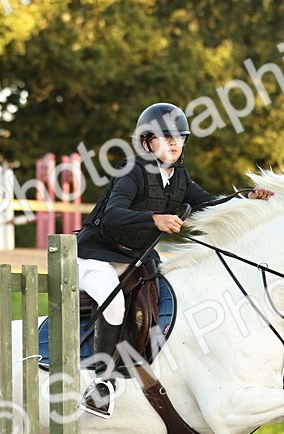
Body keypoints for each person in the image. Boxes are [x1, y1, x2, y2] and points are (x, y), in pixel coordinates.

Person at [75, 102, 273, 416]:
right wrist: (155, 219)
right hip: (93, 256)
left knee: (170, 287)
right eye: (165, 137)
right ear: (145, 142)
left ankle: (153, 363)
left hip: (134, 257)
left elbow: (210, 203)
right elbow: (113, 216)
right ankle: (101, 383)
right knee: (113, 302)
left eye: (179, 137)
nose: (174, 143)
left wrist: (247, 196)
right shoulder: (132, 171)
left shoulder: (178, 177)